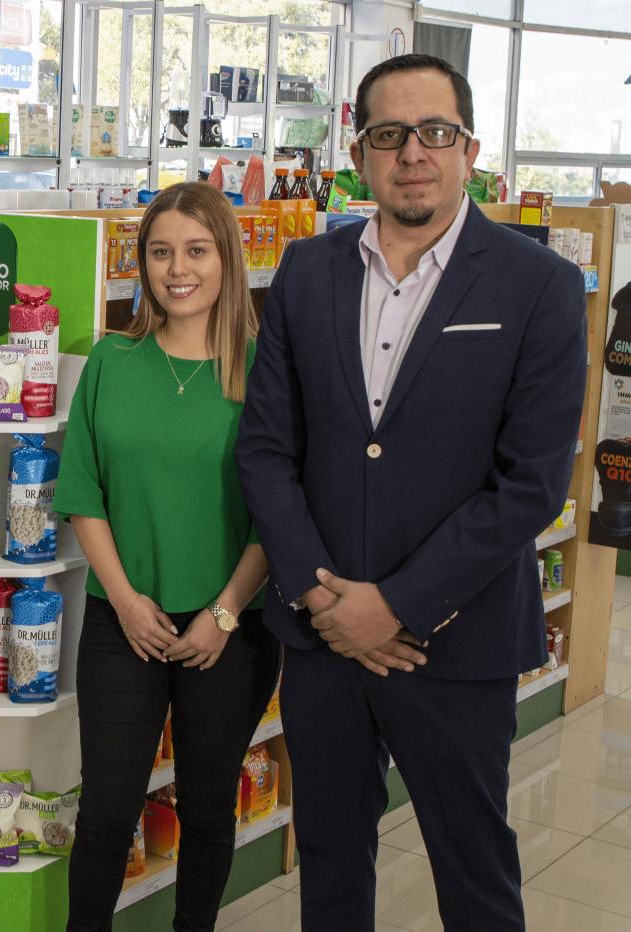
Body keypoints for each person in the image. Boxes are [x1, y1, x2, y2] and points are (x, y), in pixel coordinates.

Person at [235, 54, 586, 931]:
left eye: (435, 132)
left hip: (455, 644)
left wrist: (395, 606)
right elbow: (267, 451)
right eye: (390, 135)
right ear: (359, 155)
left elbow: (531, 483)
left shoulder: (536, 284)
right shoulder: (307, 272)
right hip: (322, 641)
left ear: (470, 150)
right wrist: (324, 599)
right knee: (329, 865)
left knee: (475, 876)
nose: (413, 153)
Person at [55, 182, 280, 932]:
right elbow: (83, 493)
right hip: (123, 621)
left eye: (195, 250)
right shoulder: (112, 362)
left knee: (209, 809)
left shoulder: (263, 374)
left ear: (227, 259)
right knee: (106, 810)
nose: (177, 269)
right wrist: (123, 601)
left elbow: (277, 514)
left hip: (230, 630)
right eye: (160, 252)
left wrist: (224, 613)